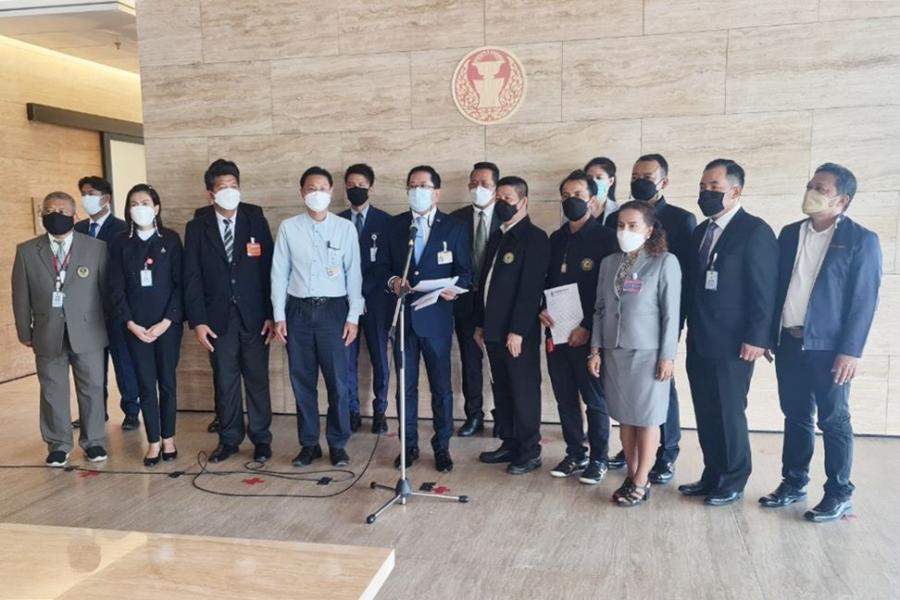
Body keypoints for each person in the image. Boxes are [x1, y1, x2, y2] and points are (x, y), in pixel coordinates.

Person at [759, 163, 882, 522]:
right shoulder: (789, 234)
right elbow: (775, 288)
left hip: (829, 348)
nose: (811, 192)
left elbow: (864, 301)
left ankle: (839, 493)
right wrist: (769, 335)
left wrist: (851, 352)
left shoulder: (861, 240)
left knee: (834, 419)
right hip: (789, 340)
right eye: (810, 184)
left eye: (821, 188)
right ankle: (794, 482)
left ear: (842, 200)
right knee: (796, 415)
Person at [679, 158, 778, 506]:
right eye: (702, 187)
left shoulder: (755, 230)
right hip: (700, 337)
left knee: (729, 411)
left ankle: (733, 478)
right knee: (706, 410)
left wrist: (758, 337)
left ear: (735, 192)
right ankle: (712, 473)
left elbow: (765, 290)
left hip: (735, 343)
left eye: (714, 187)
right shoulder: (700, 231)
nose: (705, 193)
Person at [605, 153, 697, 484]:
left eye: (647, 177)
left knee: (659, 395)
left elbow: (681, 279)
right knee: (630, 402)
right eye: (635, 176)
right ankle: (633, 457)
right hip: (623, 326)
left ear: (663, 181)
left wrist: (669, 343)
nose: (639, 181)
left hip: (659, 322)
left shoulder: (681, 220)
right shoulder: (615, 221)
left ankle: (665, 453)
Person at [376, 165, 472, 473]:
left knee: (441, 388)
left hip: (437, 319)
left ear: (436, 193)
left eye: (424, 186)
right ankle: (409, 446)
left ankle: (442, 446)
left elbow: (466, 273)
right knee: (405, 388)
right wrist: (393, 281)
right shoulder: (394, 226)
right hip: (404, 318)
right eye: (412, 185)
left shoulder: (455, 227)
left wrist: (454, 290)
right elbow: (382, 268)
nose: (417, 191)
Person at [588, 201, 681, 506]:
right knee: (626, 418)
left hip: (648, 354)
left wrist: (668, 356)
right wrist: (595, 350)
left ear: (649, 230)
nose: (624, 231)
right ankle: (631, 474)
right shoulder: (609, 263)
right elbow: (600, 309)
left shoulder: (664, 262)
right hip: (614, 351)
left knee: (648, 418)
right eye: (620, 225)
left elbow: (671, 314)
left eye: (632, 226)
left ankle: (642, 480)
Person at [184, 158, 275, 464]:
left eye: (234, 186)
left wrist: (271, 314)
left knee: (257, 380)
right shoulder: (197, 227)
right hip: (217, 320)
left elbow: (268, 269)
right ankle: (229, 439)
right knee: (225, 382)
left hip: (254, 316)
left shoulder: (254, 218)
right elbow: (192, 277)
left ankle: (261, 439)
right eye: (223, 187)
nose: (230, 191)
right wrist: (198, 321)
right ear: (210, 193)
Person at [272, 166, 363, 467]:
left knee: (338, 382)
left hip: (334, 311)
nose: (317, 194)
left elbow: (354, 275)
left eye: (322, 188)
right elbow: (278, 274)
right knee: (302, 381)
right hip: (297, 311)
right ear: (302, 193)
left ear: (332, 192)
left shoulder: (344, 228)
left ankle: (337, 443)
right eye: (311, 188)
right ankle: (309, 444)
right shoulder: (288, 227)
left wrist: (353, 316)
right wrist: (279, 315)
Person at [12, 191, 109, 466]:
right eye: (50, 211)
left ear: (74, 216)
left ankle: (94, 442)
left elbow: (106, 292)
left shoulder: (96, 248)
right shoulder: (26, 251)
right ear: (42, 215)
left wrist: (110, 329)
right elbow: (20, 295)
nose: (56, 215)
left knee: (92, 387)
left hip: (89, 331)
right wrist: (24, 331)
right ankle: (58, 444)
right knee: (52, 390)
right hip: (46, 332)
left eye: (62, 211)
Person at [542, 170, 618, 484]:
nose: (571, 200)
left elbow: (609, 291)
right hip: (556, 332)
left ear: (592, 199)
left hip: (589, 335)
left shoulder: (606, 238)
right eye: (566, 196)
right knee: (565, 398)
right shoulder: (555, 239)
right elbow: (545, 282)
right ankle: (575, 452)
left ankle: (599, 458)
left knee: (595, 400)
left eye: (578, 195)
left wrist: (587, 326)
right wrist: (542, 309)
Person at [474, 176, 549, 475]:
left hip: (518, 333)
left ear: (523, 201)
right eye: (499, 198)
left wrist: (518, 331)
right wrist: (480, 324)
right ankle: (510, 442)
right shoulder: (497, 236)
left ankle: (530, 451)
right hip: (492, 330)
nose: (502, 204)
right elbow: (486, 283)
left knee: (523, 390)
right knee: (502, 388)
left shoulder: (535, 238)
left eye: (508, 199)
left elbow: (531, 290)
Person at [108, 184, 183, 467]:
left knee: (167, 382)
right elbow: (115, 288)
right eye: (133, 203)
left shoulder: (171, 239)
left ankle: (169, 438)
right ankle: (153, 441)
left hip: (167, 326)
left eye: (145, 203)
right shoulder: (120, 243)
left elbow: (180, 284)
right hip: (135, 327)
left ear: (156, 208)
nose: (139, 208)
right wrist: (130, 323)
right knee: (145, 384)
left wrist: (167, 321)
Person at [73, 176, 139, 431]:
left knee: (124, 363)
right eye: (83, 193)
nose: (86, 198)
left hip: (116, 308)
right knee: (91, 366)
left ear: (106, 198)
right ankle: (95, 412)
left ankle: (131, 411)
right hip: (88, 311)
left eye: (91, 193)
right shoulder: (78, 229)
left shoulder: (122, 228)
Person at [338, 163, 391, 435]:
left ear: (371, 188)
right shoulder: (335, 221)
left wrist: (362, 292)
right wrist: (352, 296)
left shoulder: (386, 221)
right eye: (350, 185)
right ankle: (352, 411)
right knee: (347, 359)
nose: (355, 189)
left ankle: (380, 411)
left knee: (380, 357)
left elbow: (386, 264)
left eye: (360, 185)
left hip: (376, 301)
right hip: (345, 303)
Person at [451, 161, 502, 437]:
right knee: (470, 362)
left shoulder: (506, 217)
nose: (478, 188)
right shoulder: (456, 219)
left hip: (496, 304)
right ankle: (474, 415)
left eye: (484, 184)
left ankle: (502, 415)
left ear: (496, 187)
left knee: (498, 362)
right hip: (466, 302)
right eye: (473, 183)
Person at [583, 157, 620, 228]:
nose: (593, 181)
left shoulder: (618, 211)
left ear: (610, 181)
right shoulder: (576, 206)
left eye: (599, 178)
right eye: (589, 178)